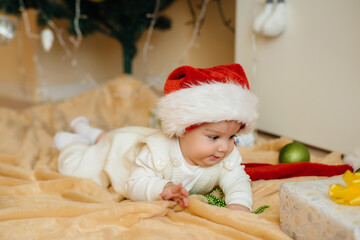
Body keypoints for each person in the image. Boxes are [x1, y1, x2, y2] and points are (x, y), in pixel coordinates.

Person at [54, 64, 259, 212]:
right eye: (214, 137)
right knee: (78, 169)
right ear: (183, 129)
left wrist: (239, 204)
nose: (224, 147)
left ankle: (88, 130)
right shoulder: (156, 151)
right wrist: (161, 188)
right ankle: (76, 142)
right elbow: (134, 183)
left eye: (232, 136)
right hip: (120, 149)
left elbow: (238, 180)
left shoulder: (225, 155)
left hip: (133, 136)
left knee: (106, 137)